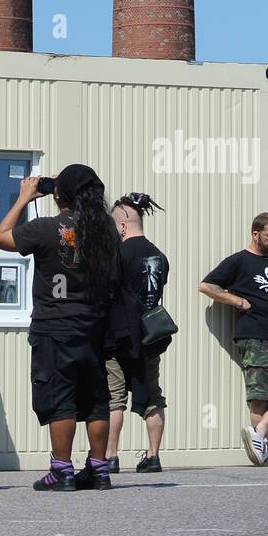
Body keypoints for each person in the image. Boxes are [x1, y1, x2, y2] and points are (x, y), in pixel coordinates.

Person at [0, 163, 119, 491]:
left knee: (60, 394)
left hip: (55, 325)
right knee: (95, 398)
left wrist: (24, 197)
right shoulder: (105, 228)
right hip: (94, 325)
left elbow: (0, 238)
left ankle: (62, 470)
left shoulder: (45, 228)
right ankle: (99, 468)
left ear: (60, 194)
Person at [200, 212, 268, 467]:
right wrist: (238, 301)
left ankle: (259, 433)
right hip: (254, 335)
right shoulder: (239, 261)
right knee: (260, 395)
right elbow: (206, 285)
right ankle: (264, 451)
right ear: (255, 234)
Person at [105, 192, 170, 474]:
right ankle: (153, 456)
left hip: (119, 336)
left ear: (122, 226)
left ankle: (110, 456)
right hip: (150, 337)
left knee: (114, 398)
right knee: (151, 397)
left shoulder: (118, 254)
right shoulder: (160, 256)